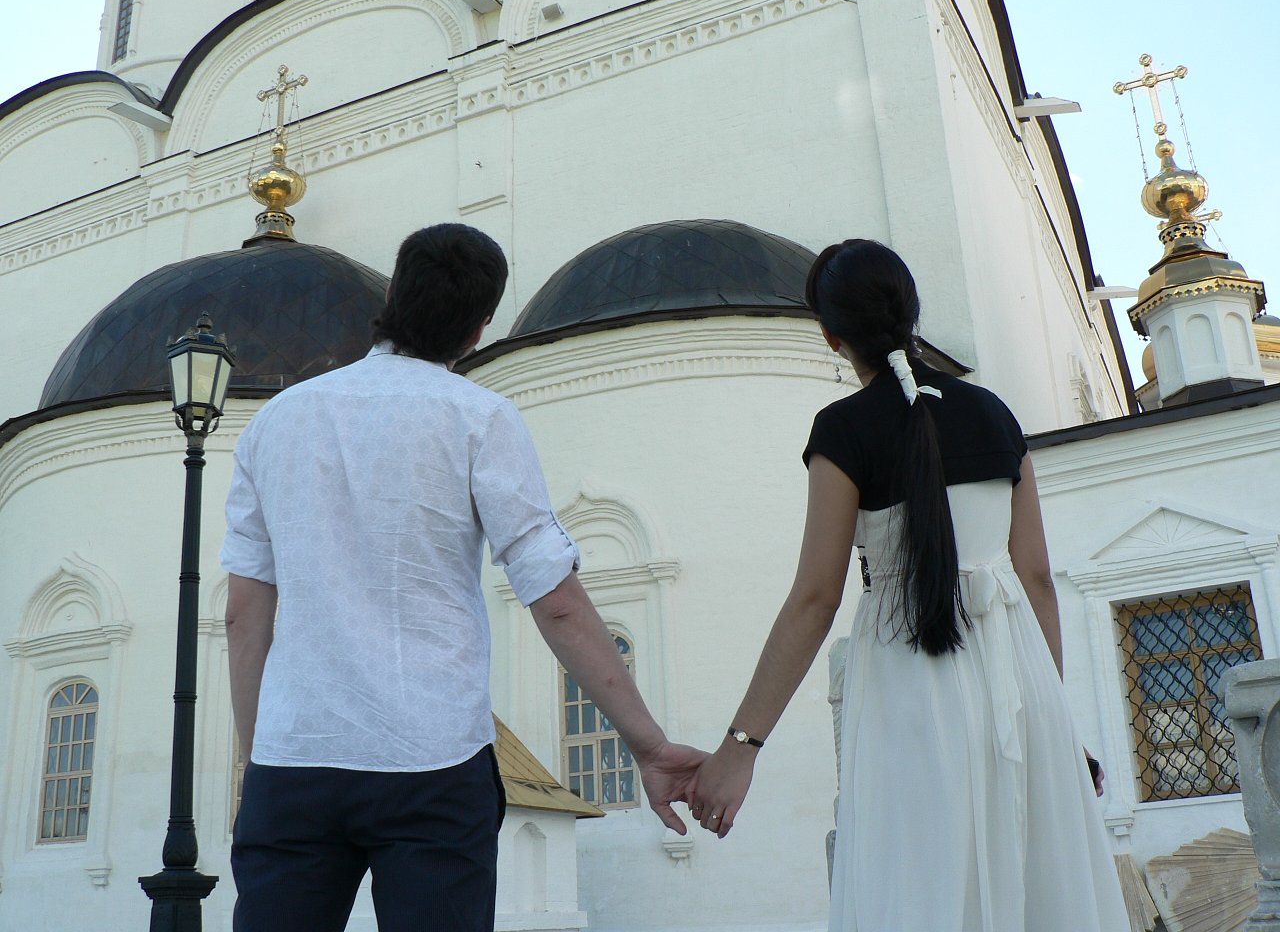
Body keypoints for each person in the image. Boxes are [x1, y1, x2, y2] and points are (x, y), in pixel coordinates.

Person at [221, 223, 705, 932]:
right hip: (432, 759)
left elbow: (243, 615)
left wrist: (258, 761)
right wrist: (649, 745)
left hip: (295, 760)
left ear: (393, 296)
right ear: (480, 329)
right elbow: (557, 603)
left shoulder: (275, 422)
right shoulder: (479, 417)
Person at [688, 240, 1128, 930]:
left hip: (910, 683)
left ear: (831, 335)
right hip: (1018, 680)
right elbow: (1037, 576)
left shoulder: (842, 430)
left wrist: (739, 749)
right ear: (911, 311)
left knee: (921, 882)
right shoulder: (994, 413)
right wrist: (1055, 722)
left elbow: (815, 599)